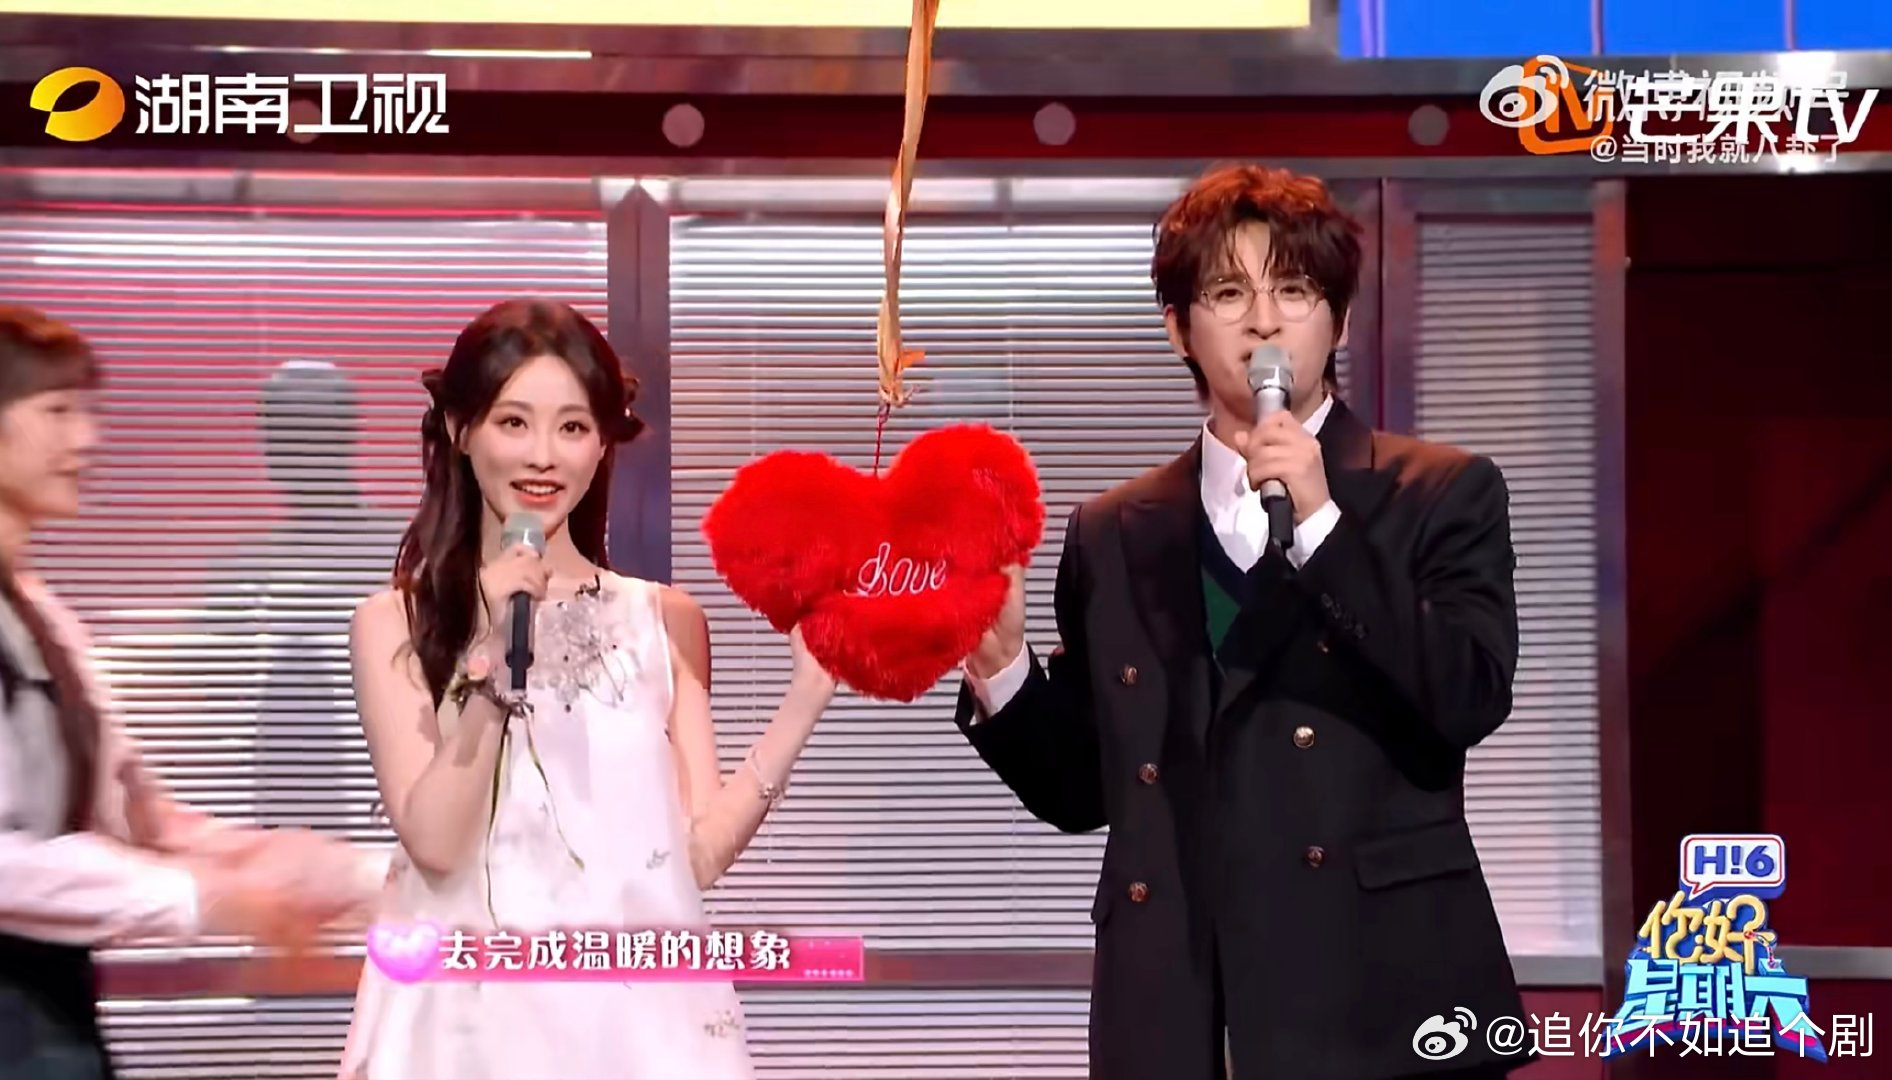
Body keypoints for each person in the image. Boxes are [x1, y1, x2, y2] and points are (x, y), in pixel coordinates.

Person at [954, 165, 1528, 1079]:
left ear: (1340, 319)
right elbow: (1087, 792)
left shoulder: (1439, 492)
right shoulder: (1115, 531)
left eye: (1294, 291)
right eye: (1228, 294)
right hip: (1180, 1007)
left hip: (1380, 999)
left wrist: (1324, 527)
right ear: (1177, 327)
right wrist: (1005, 670)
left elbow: (1468, 696)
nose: (1265, 321)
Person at [339, 298, 836, 1079]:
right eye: (514, 423)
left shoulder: (664, 620)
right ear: (461, 430)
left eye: (572, 427)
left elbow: (691, 861)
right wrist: (493, 657)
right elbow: (435, 844)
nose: (543, 456)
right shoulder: (394, 623)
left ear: (603, 441)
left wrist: (804, 700)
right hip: (466, 1025)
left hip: (630, 1021)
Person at [0, 305, 376, 1079]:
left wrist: (269, 860)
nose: (87, 439)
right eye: (58, 412)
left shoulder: (42, 613)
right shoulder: (237, 577)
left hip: (52, 1006)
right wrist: (206, 896)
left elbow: (133, 810)